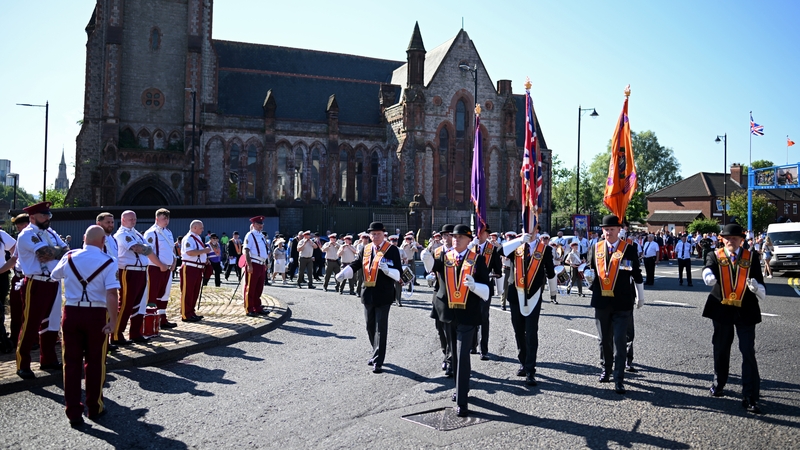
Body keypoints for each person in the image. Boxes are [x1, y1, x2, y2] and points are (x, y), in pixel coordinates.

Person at [50, 225, 119, 428]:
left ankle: (73, 411)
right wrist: (113, 321)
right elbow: (112, 294)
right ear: (103, 242)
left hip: (71, 311)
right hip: (96, 313)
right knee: (95, 362)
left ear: (83, 239)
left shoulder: (70, 256)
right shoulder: (109, 261)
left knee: (70, 364)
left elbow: (55, 275)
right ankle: (94, 406)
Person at [421, 224, 490, 417]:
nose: (456, 240)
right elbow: (431, 268)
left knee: (462, 356)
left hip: (468, 315)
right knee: (455, 356)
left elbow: (487, 290)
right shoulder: (445, 256)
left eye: (460, 237)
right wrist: (426, 256)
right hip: (449, 314)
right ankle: (461, 389)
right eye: (454, 237)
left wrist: (475, 286)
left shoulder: (477, 259)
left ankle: (462, 401)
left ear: (469, 240)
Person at [702, 223, 765, 414]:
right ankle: (718, 383)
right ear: (722, 239)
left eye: (735, 238)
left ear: (742, 240)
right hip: (721, 308)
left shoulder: (751, 257)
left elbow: (759, 282)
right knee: (721, 348)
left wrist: (758, 289)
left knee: (748, 351)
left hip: (746, 309)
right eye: (728, 238)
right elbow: (708, 269)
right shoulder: (715, 255)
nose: (731, 241)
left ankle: (751, 396)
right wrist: (708, 276)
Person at [585, 215, 644, 395]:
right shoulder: (595, 247)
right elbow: (590, 269)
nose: (608, 232)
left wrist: (641, 295)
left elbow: (636, 273)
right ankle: (606, 369)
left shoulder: (628, 249)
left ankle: (619, 378)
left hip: (622, 301)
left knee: (619, 340)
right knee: (604, 339)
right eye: (606, 229)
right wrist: (587, 277)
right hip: (602, 300)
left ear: (619, 230)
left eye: (612, 229)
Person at [336, 222, 403, 374]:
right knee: (369, 326)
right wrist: (344, 273)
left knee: (381, 328)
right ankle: (375, 351)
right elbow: (357, 263)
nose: (375, 236)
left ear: (383, 234)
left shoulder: (392, 250)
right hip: (368, 293)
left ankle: (378, 360)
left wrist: (388, 271)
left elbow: (399, 271)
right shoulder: (366, 249)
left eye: (378, 234)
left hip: (384, 294)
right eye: (373, 234)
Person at [14, 202, 69, 379]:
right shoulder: (27, 234)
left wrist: (56, 251)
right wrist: (56, 251)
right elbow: (44, 253)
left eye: (48, 215)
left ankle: (48, 359)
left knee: (52, 323)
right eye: (43, 215)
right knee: (30, 323)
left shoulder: (50, 232)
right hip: (35, 282)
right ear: (32, 218)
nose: (47, 218)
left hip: (53, 281)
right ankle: (23, 364)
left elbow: (66, 251)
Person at [501, 227, 558, 386]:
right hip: (515, 294)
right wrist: (519, 240)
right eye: (526, 229)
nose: (529, 232)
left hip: (533, 295)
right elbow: (501, 251)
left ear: (538, 230)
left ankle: (530, 369)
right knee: (519, 330)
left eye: (532, 229)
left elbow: (551, 272)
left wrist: (553, 292)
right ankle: (523, 362)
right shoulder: (516, 246)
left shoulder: (544, 249)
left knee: (531, 332)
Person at [113, 210, 163, 345]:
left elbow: (148, 248)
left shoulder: (137, 234)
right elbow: (136, 248)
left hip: (141, 271)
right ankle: (116, 334)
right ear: (123, 220)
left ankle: (135, 332)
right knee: (126, 303)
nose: (133, 221)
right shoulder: (122, 234)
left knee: (139, 304)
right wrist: (145, 248)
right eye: (130, 219)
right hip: (128, 271)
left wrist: (145, 248)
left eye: (134, 219)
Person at [143, 208, 178, 329]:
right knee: (153, 293)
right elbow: (148, 252)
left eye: (168, 218)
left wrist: (174, 261)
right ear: (157, 219)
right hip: (155, 268)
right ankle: (150, 320)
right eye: (164, 218)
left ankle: (162, 318)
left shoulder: (168, 232)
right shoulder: (151, 233)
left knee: (164, 294)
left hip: (167, 268)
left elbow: (172, 248)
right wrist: (160, 264)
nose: (166, 221)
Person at [472, 226, 502, 359]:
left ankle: (483, 349)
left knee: (483, 317)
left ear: (487, 234)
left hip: (485, 286)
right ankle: (472, 344)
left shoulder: (493, 249)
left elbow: (498, 270)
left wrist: (492, 274)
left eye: (482, 232)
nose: (479, 235)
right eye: (478, 232)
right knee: (470, 315)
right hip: (470, 286)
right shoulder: (470, 247)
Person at [180, 220, 212, 322]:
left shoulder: (197, 238)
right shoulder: (188, 238)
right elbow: (189, 252)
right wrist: (204, 251)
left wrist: (205, 259)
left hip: (198, 267)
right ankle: (186, 314)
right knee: (188, 291)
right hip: (190, 267)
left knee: (194, 291)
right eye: (201, 228)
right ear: (194, 228)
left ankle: (191, 312)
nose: (203, 230)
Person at [8, 214, 30, 351]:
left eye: (20, 226)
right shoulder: (21, 239)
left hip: (28, 277)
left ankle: (30, 339)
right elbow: (13, 259)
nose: (18, 229)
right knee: (16, 310)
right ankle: (15, 337)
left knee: (27, 311)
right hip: (17, 276)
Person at [243, 216, 270, 317]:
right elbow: (246, 250)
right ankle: (249, 308)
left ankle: (257, 307)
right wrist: (249, 265)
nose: (261, 226)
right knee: (251, 287)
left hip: (261, 263)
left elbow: (264, 250)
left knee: (259, 287)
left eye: (262, 224)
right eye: (259, 224)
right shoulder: (250, 235)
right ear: (254, 224)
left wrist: (266, 263)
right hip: (254, 263)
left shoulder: (261, 236)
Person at [499, 231, 516, 311]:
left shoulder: (516, 247)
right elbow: (505, 257)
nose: (511, 240)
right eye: (509, 238)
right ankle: (503, 303)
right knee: (504, 287)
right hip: (506, 268)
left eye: (512, 238)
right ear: (506, 238)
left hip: (514, 269)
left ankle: (511, 302)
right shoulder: (504, 246)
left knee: (512, 287)